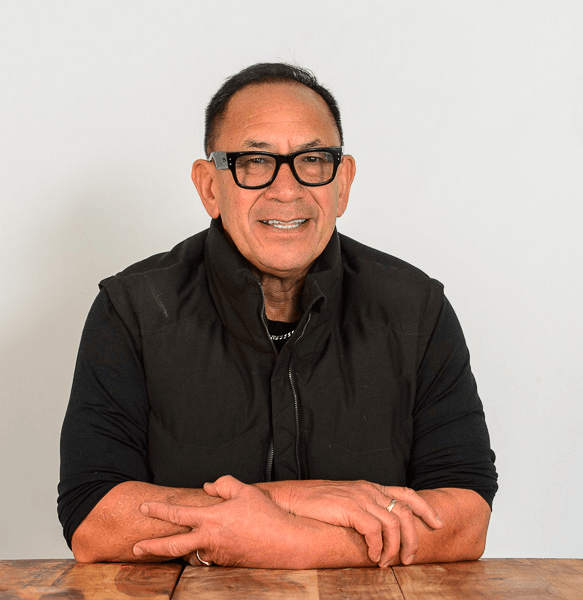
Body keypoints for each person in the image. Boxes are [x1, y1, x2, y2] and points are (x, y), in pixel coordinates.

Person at [58, 62, 498, 569]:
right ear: (209, 187)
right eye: (254, 161)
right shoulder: (132, 310)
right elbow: (93, 519)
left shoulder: (416, 308)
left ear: (343, 182)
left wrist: (290, 542)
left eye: (312, 160)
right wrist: (292, 498)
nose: (286, 190)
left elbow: (466, 517)